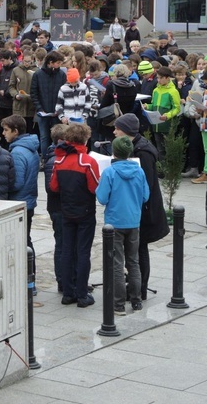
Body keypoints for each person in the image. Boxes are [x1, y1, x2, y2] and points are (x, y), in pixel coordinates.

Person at [113, 113, 169, 300]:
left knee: (139, 249)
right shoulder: (134, 146)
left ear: (126, 131)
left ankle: (140, 289)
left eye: (117, 129)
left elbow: (146, 184)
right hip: (137, 208)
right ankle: (135, 287)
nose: (114, 131)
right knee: (135, 250)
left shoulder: (143, 152)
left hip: (144, 209)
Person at [96, 136, 150, 315]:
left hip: (114, 223)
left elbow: (102, 198)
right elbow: (145, 196)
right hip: (134, 221)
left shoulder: (110, 173)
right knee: (133, 261)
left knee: (117, 264)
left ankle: (118, 304)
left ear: (114, 152)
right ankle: (136, 301)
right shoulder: (139, 172)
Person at [49, 123, 100, 308]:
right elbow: (95, 187)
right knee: (83, 252)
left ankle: (68, 293)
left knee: (67, 251)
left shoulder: (59, 161)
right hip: (85, 212)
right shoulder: (88, 161)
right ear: (85, 139)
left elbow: (53, 187)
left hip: (66, 211)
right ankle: (81, 294)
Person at [2, 115, 41, 290]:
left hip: (19, 202)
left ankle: (28, 282)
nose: (3, 133)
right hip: (29, 201)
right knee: (26, 241)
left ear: (15, 131)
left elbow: (16, 182)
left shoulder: (17, 152)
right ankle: (30, 281)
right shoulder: (30, 147)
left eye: (6, 130)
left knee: (22, 243)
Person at [44, 124, 68, 293]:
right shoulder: (54, 159)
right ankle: (62, 280)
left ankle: (67, 278)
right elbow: (50, 187)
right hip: (58, 208)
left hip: (61, 207)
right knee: (61, 243)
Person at [31, 51, 66, 157]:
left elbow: (64, 93)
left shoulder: (61, 74)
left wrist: (60, 110)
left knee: (58, 137)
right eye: (58, 63)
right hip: (43, 112)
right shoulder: (38, 74)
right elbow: (34, 93)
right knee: (44, 137)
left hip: (57, 112)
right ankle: (45, 158)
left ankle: (58, 157)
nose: (60, 65)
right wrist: (40, 109)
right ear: (51, 62)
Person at [142, 67, 181, 162]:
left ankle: (168, 168)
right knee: (159, 148)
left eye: (160, 78)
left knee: (167, 148)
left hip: (167, 124)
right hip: (156, 124)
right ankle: (162, 169)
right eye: (157, 78)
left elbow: (177, 108)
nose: (158, 80)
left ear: (167, 78)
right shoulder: (156, 90)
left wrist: (167, 115)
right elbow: (154, 105)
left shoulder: (173, 91)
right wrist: (147, 106)